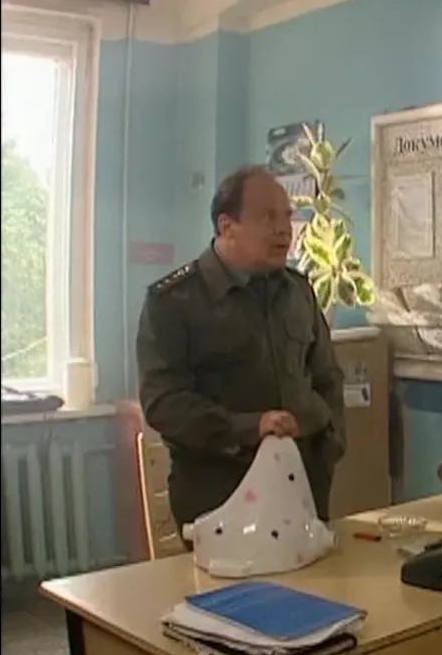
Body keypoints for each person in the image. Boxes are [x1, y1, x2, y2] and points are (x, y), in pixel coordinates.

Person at [136, 165, 346, 547]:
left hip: (304, 498)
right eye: (267, 218)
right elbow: (164, 403)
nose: (284, 229)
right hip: (220, 502)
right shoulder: (174, 301)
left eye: (287, 216)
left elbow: (328, 380)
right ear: (227, 226)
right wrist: (252, 427)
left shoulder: (298, 292)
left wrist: (328, 447)